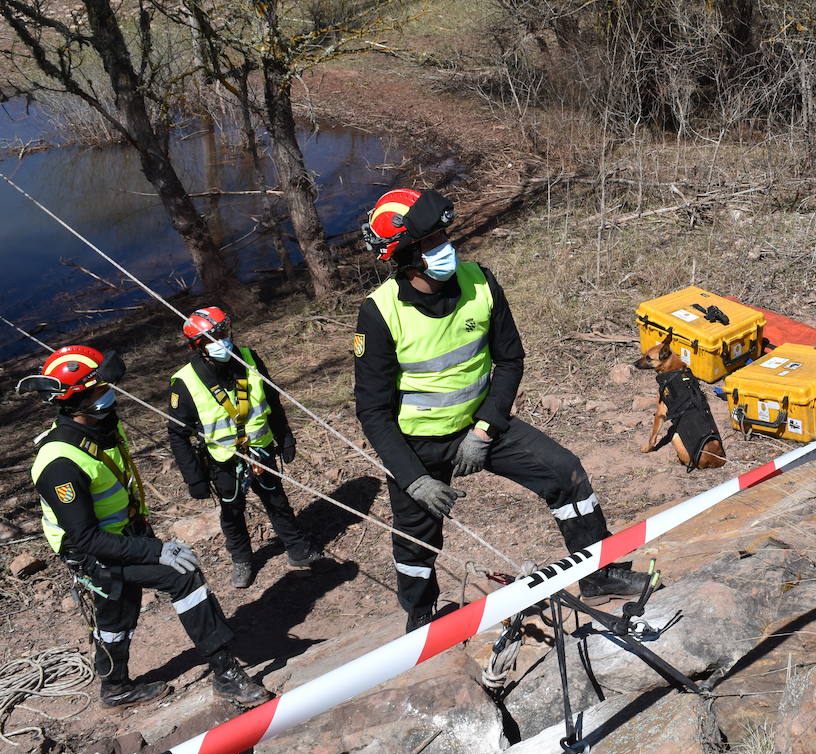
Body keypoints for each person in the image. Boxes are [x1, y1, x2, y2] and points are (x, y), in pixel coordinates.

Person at [354, 188, 650, 631]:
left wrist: (485, 429)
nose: (446, 248)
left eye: (444, 236)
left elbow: (510, 360)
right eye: (432, 241)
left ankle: (599, 574)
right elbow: (372, 411)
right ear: (409, 256)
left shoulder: (481, 282)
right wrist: (413, 479)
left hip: (482, 426)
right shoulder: (379, 313)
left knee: (566, 474)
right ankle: (420, 619)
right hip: (417, 445)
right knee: (416, 539)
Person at [19, 345, 270, 708]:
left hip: (124, 534)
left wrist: (142, 535)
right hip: (93, 550)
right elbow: (87, 537)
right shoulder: (59, 462)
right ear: (77, 401)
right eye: (100, 388)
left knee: (117, 611)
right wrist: (157, 550)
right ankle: (226, 674)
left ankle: (115, 687)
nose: (110, 393)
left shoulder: (102, 427)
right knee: (183, 577)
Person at [168, 307, 321, 588]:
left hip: (260, 449)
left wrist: (284, 436)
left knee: (277, 500)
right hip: (223, 460)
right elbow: (178, 434)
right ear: (198, 346)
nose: (222, 342)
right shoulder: (185, 382)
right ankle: (242, 560)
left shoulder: (248, 358)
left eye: (224, 334)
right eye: (213, 338)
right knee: (232, 511)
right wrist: (195, 479)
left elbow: (272, 400)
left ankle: (298, 550)